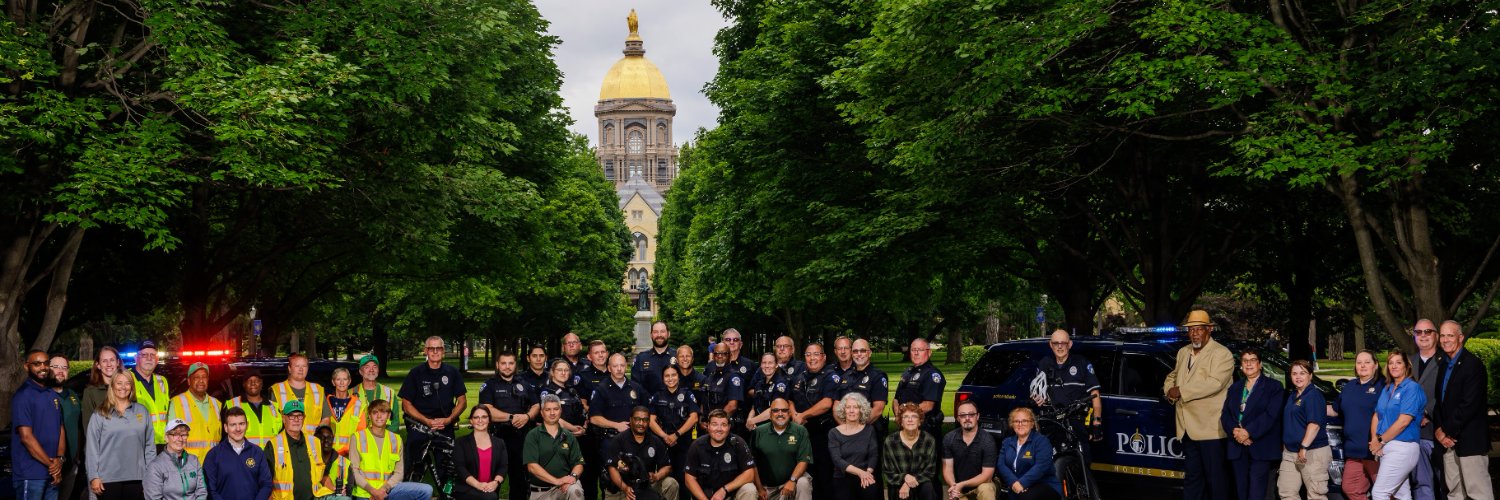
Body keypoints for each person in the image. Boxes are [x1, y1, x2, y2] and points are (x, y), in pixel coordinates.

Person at [1161, 310, 1234, 500]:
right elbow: (1173, 376)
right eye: (1191, 330)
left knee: (1216, 480)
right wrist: (1169, 390)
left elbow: (1214, 383)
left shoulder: (1221, 353)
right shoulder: (1183, 352)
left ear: (1209, 330)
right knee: (1193, 478)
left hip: (1211, 429)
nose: (1194, 334)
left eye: (1199, 329)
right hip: (1187, 428)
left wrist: (1182, 391)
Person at [1433, 320, 1493, 499]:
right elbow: (1440, 402)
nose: (1445, 340)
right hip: (1448, 443)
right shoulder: (1443, 364)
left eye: (1450, 335)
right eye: (1442, 335)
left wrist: (1445, 431)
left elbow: (1469, 405)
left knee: (1478, 493)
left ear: (1460, 337)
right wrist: (1439, 431)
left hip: (1470, 441)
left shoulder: (1473, 365)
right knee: (1455, 492)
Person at [397, 336, 466, 488]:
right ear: (425, 351)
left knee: (448, 472)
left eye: (439, 348)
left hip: (445, 427)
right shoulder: (415, 373)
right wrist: (426, 421)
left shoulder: (452, 373)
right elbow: (406, 404)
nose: (435, 352)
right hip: (419, 427)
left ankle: (446, 496)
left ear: (443, 351)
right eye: (431, 348)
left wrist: (449, 419)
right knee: (413, 470)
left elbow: (462, 401)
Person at [1220, 349, 1283, 500]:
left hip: (1260, 445)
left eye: (1253, 360)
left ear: (1260, 364)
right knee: (1241, 490)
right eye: (1245, 361)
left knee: (1257, 490)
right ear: (1241, 365)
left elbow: (1270, 415)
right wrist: (1236, 433)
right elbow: (1226, 415)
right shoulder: (1235, 388)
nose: (1249, 364)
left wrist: (1248, 432)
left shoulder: (1274, 387)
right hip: (1237, 446)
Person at [86, 371, 156, 500]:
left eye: (127, 383)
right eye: (119, 383)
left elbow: (149, 447)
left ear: (132, 387)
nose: (123, 387)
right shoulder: (100, 414)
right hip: (107, 478)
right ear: (112, 386)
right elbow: (92, 449)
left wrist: (151, 475)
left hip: (137, 478)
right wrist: (93, 476)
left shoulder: (142, 411)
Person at [1029, 330, 1103, 452]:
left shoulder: (1081, 363)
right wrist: (1037, 398)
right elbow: (1037, 391)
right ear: (1050, 345)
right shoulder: (1044, 364)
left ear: (1070, 344)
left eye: (1063, 343)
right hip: (1052, 421)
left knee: (1081, 460)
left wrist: (1097, 422)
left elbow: (1095, 394)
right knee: (1050, 462)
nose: (1059, 346)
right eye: (1056, 343)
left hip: (1076, 420)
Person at [479, 352, 539, 500]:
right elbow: (487, 411)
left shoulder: (523, 384)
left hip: (520, 439)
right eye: (503, 363)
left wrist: (527, 416)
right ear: (497, 365)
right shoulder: (489, 385)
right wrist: (511, 417)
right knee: (492, 480)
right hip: (497, 438)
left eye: (511, 363)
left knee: (519, 481)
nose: (507, 367)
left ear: (515, 365)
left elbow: (537, 404)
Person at [589, 353, 648, 500]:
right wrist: (617, 425)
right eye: (615, 366)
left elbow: (647, 412)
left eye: (622, 365)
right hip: (610, 441)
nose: (619, 369)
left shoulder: (636, 388)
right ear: (609, 368)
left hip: (635, 442)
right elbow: (594, 418)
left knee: (637, 479)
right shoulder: (601, 389)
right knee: (611, 484)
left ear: (626, 366)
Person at [349, 399, 433, 500]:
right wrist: (374, 492)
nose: (379, 416)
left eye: (383, 412)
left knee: (426, 490)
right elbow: (354, 471)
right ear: (369, 415)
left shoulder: (396, 439)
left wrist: (384, 489)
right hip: (365, 493)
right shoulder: (357, 437)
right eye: (375, 412)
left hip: (388, 490)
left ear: (388, 416)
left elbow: (399, 473)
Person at [1369, 351, 1425, 500]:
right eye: (1391, 362)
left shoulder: (1412, 388)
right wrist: (1375, 440)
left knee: (1379, 493)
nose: (1394, 366)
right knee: (1401, 494)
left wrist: (1380, 441)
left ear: (1407, 366)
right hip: (1386, 446)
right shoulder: (1387, 388)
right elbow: (1377, 415)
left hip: (1403, 447)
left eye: (1398, 362)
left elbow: (1403, 421)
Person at [1330, 350, 1383, 500]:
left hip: (1374, 450)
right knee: (1350, 488)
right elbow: (1334, 410)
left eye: (1367, 362)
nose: (1363, 366)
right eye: (1359, 362)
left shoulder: (1383, 386)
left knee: (1385, 492)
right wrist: (1311, 406)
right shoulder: (1349, 386)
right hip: (1354, 451)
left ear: (1375, 365)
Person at [790, 343, 841, 498]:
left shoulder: (831, 376)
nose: (812, 358)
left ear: (823, 357)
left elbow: (826, 403)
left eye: (816, 354)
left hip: (822, 434)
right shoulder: (800, 376)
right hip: (802, 434)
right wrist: (795, 416)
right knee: (806, 475)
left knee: (824, 475)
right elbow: (790, 399)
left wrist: (803, 415)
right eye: (808, 355)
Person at [12, 349, 63, 500]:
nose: (43, 367)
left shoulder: (52, 395)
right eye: (37, 364)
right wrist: (52, 465)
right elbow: (26, 437)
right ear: (27, 367)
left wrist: (60, 459)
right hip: (31, 473)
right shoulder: (23, 396)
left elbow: (60, 428)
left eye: (46, 363)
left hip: (53, 473)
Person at [1277, 360, 1330, 500]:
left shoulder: (1313, 396)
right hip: (1290, 453)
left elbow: (1314, 425)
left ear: (1310, 375)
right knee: (1286, 492)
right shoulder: (1292, 396)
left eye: (1302, 373)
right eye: (1294, 373)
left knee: (1315, 495)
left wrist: (1303, 447)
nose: (1298, 377)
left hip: (1311, 452)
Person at [603, 407, 678, 500]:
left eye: (645, 420)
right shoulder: (618, 440)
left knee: (671, 483)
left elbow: (667, 466)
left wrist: (656, 476)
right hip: (621, 488)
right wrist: (625, 488)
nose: (641, 423)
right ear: (630, 420)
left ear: (649, 421)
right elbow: (612, 469)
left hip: (646, 485)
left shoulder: (655, 441)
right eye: (637, 419)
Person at [683, 410, 757, 500]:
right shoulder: (697, 446)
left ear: (729, 427)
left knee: (749, 489)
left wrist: (724, 490)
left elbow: (749, 474)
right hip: (704, 497)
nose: (719, 429)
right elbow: (689, 479)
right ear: (708, 426)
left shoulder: (738, 443)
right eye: (714, 424)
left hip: (730, 495)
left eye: (723, 425)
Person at [648, 364, 699, 495]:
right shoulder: (657, 396)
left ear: (678, 376)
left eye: (673, 375)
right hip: (663, 444)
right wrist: (665, 436)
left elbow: (694, 418)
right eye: (667, 376)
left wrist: (676, 435)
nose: (670, 378)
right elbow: (651, 420)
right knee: (665, 479)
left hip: (684, 443)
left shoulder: (687, 394)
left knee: (684, 479)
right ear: (663, 378)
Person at [523, 395, 586, 500]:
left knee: (575, 490)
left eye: (556, 409)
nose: (552, 413)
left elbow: (579, 463)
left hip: (565, 488)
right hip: (541, 491)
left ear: (560, 411)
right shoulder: (533, 435)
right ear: (542, 413)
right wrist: (557, 481)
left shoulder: (569, 436)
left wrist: (572, 477)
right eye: (548, 410)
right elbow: (532, 467)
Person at [203, 406, 273, 500]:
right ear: (225, 427)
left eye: (241, 424)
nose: (238, 429)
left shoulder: (257, 452)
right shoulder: (213, 455)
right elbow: (211, 490)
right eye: (233, 425)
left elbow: (266, 484)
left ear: (247, 425)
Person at [264, 400, 329, 500]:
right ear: (284, 418)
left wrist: (336, 490)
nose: (296, 419)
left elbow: (323, 475)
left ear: (304, 418)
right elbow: (265, 482)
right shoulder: (273, 445)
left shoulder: (315, 442)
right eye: (291, 416)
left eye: (299, 415)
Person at [750, 398, 812, 500]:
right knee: (749, 489)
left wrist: (792, 480)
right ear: (770, 414)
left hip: (791, 484)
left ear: (789, 413)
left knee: (803, 482)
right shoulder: (758, 432)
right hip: (767, 488)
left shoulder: (801, 431)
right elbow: (752, 463)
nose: (780, 414)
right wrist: (760, 488)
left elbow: (804, 460)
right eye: (776, 410)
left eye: (784, 410)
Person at [997, 407, 1060, 500]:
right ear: (1012, 424)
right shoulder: (1007, 442)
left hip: (1044, 485)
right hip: (1016, 486)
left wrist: (1023, 483)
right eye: (1016, 421)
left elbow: (1041, 466)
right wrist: (1014, 482)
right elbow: (1001, 465)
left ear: (1032, 424)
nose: (1020, 424)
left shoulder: (1041, 441)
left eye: (1025, 421)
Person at [1409, 320, 1441, 500]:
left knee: (1444, 482)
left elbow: (1449, 395)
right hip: (1413, 434)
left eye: (1427, 331)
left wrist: (1426, 412)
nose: (1423, 335)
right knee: (1421, 483)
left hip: (1439, 431)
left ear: (1435, 335)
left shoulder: (1445, 361)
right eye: (1418, 332)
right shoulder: (1407, 362)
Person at [167, 363, 223, 464]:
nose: (201, 380)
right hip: (188, 466)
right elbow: (170, 438)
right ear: (189, 381)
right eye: (196, 377)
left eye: (204, 377)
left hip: (214, 467)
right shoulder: (176, 402)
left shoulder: (217, 404)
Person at [828, 393, 880, 500]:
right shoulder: (834, 433)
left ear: (861, 410)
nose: (851, 411)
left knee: (871, 490)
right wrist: (860, 473)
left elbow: (873, 455)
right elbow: (837, 460)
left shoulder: (869, 430)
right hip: (842, 477)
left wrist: (868, 473)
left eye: (856, 407)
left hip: (865, 475)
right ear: (843, 410)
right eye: (848, 407)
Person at [942, 400, 997, 500]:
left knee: (986, 489)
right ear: (958, 418)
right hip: (959, 488)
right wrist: (953, 485)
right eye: (963, 415)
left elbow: (987, 475)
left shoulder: (987, 440)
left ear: (978, 416)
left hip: (982, 485)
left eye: (971, 414)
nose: (967, 418)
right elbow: (947, 468)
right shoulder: (949, 438)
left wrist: (962, 484)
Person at [894, 338, 946, 440]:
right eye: (913, 350)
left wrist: (904, 415)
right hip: (905, 427)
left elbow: (928, 405)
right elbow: (896, 399)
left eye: (920, 350)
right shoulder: (907, 372)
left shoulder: (932, 374)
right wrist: (898, 416)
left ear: (929, 352)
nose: (916, 353)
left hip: (925, 430)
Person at [883, 404, 938, 500]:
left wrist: (908, 484)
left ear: (920, 421)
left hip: (922, 483)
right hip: (898, 485)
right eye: (906, 417)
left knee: (928, 487)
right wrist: (904, 478)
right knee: (902, 494)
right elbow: (889, 473)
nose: (910, 420)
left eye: (914, 416)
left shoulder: (929, 440)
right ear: (901, 422)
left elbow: (930, 471)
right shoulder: (890, 441)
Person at [144, 418, 208, 500]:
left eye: (183, 435)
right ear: (166, 438)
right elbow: (153, 498)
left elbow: (201, 491)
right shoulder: (155, 466)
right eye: (175, 435)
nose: (180, 439)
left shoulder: (194, 460)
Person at [48, 353, 84, 500]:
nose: (60, 371)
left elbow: (79, 425)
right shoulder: (42, 396)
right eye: (55, 367)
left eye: (64, 367)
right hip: (51, 465)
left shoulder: (73, 395)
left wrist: (78, 456)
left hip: (72, 463)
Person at [453, 406, 506, 500]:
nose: (480, 420)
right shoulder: (461, 442)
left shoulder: (499, 442)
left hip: (490, 488)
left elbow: (503, 467)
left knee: (491, 496)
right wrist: (478, 485)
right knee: (490, 498)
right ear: (471, 421)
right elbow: (460, 468)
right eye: (476, 417)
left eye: (484, 417)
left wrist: (495, 482)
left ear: (489, 419)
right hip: (467, 489)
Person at [271, 354, 333, 434]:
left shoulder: (317, 389)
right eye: (297, 366)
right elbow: (273, 422)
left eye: (304, 366)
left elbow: (326, 419)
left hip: (312, 443)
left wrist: (316, 437)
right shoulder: (277, 390)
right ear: (289, 369)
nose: (301, 369)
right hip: (287, 443)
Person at [844, 339, 889, 436]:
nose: (859, 354)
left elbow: (878, 409)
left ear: (869, 353)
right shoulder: (846, 376)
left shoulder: (878, 376)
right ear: (851, 354)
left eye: (863, 351)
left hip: (869, 432)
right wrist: (844, 428)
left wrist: (856, 428)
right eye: (855, 351)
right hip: (846, 431)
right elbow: (837, 404)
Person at [132, 340, 172, 449]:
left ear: (157, 359)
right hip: (138, 445)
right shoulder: (127, 379)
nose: (149, 358)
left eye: (152, 355)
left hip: (163, 445)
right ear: (136, 358)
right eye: (144, 355)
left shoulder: (162, 381)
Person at [229, 370, 283, 447]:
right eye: (249, 380)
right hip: (243, 456)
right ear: (244, 384)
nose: (253, 383)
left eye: (256, 380)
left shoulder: (274, 407)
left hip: (270, 457)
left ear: (261, 384)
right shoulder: (232, 404)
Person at [700, 343, 745, 434]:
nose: (720, 356)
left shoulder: (733, 377)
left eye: (724, 353)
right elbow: (704, 400)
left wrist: (714, 424)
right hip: (708, 427)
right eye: (716, 353)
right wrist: (701, 418)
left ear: (730, 355)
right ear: (713, 356)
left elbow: (732, 406)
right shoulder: (710, 376)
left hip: (723, 429)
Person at [80, 346, 123, 434]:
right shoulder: (90, 392)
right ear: (98, 365)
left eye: (112, 360)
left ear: (118, 362)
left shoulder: (126, 388)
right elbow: (88, 428)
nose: (109, 364)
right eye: (104, 361)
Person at [327, 368, 368, 457]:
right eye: (338, 379)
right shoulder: (326, 403)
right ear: (333, 382)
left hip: (350, 454)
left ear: (349, 381)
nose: (342, 383)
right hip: (328, 454)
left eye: (345, 379)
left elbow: (361, 433)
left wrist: (348, 450)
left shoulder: (358, 405)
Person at [744, 353, 788, 430]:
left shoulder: (781, 384)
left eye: (770, 363)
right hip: (758, 427)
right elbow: (754, 407)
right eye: (764, 363)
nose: (767, 366)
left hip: (774, 428)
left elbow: (775, 409)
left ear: (776, 365)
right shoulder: (759, 384)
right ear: (760, 365)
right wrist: (749, 419)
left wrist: (753, 420)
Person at [356, 355, 402, 429]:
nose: (371, 370)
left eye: (374, 367)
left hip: (384, 438)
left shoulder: (389, 392)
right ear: (361, 372)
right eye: (367, 367)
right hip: (359, 438)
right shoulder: (351, 393)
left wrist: (381, 438)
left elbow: (395, 422)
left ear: (378, 370)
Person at [633, 322, 677, 396]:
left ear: (668, 334)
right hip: (649, 406)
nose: (659, 335)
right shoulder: (641, 358)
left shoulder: (678, 356)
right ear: (651, 335)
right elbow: (636, 386)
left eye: (662, 331)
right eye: (655, 332)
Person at [313, 425, 355, 499]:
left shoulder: (345, 463)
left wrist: (344, 493)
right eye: (322, 438)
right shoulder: (308, 459)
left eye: (329, 437)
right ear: (315, 439)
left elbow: (349, 493)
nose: (326, 440)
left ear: (333, 439)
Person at [675, 346, 708, 423]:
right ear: (677, 359)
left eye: (688, 356)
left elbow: (704, 403)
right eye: (681, 356)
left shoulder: (702, 379)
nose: (685, 359)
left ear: (692, 359)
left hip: (696, 423)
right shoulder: (672, 379)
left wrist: (702, 419)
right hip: (675, 423)